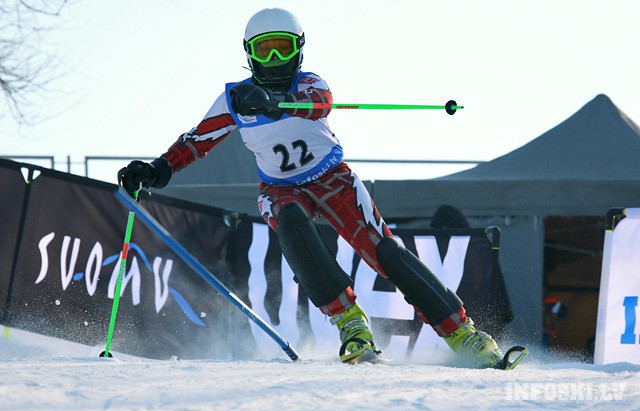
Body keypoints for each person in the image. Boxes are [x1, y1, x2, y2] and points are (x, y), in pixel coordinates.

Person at [118, 8, 506, 367]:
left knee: (385, 252)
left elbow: (320, 102)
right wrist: (157, 169)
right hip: (280, 188)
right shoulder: (235, 100)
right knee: (291, 223)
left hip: (332, 178)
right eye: (265, 50)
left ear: (299, 50)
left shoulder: (308, 83)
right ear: (249, 54)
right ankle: (350, 322)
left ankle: (463, 333)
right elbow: (197, 140)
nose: (275, 59)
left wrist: (280, 102)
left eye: (283, 48)